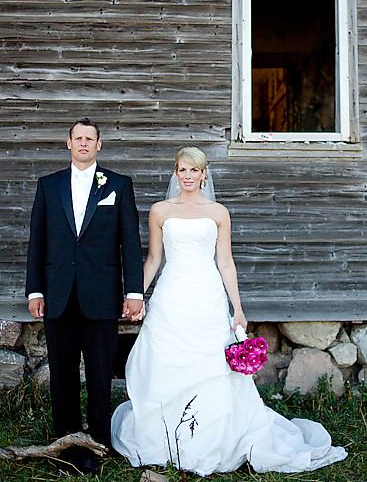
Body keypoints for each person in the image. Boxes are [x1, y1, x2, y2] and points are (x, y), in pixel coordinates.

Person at [111, 147, 347, 475]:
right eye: (182, 170)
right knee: (165, 362)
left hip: (208, 297)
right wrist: (135, 295)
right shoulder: (160, 211)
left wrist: (237, 308)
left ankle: (213, 437)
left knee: (211, 367)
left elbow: (225, 261)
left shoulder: (218, 212)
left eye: (195, 170)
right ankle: (165, 435)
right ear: (175, 173)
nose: (188, 176)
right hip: (171, 297)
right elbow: (153, 258)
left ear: (204, 174)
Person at [25, 118, 145, 475]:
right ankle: (65, 442)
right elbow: (37, 242)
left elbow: (130, 245)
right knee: (62, 375)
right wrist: (35, 290)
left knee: (98, 375)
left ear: (99, 145)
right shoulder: (49, 186)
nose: (83, 143)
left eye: (89, 139)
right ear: (68, 143)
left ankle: (98, 443)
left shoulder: (118, 186)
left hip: (101, 296)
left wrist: (134, 292)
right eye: (77, 138)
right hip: (58, 295)